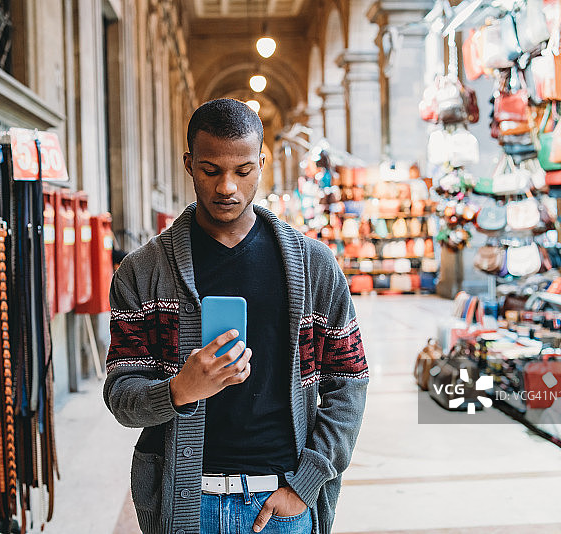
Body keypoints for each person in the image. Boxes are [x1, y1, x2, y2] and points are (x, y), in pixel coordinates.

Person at [103, 98, 368, 534]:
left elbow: (349, 380)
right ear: (189, 164)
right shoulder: (142, 272)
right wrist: (179, 390)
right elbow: (121, 396)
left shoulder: (314, 266)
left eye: (243, 170)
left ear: (261, 163)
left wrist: (305, 484)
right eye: (211, 170)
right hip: (183, 503)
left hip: (281, 503)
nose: (227, 187)